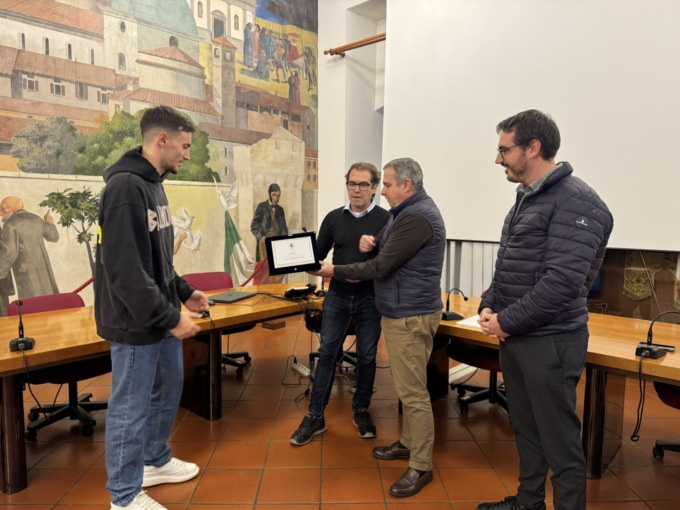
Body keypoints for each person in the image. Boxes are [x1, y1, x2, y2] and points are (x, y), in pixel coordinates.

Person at [476, 110, 613, 510]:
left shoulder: (578, 201)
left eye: (504, 150)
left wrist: (505, 321)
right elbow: (511, 266)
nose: (498, 159)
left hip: (550, 341)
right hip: (519, 335)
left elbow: (562, 285)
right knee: (527, 429)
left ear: (532, 148)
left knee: (560, 443)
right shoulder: (528, 196)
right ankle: (528, 502)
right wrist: (489, 303)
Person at [95, 106, 210, 510]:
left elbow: (157, 258)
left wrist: (183, 291)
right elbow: (125, 270)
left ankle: (154, 459)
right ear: (162, 140)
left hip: (160, 313)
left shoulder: (154, 185)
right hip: (135, 320)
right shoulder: (125, 189)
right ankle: (124, 496)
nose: (187, 155)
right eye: (184, 146)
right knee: (130, 406)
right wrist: (170, 316)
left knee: (168, 388)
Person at [311, 157, 445, 498]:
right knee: (408, 388)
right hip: (402, 311)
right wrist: (371, 243)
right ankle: (408, 443)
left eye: (385, 184)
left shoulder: (416, 217)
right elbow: (383, 249)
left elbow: (381, 267)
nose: (381, 191)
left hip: (410, 315)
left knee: (413, 394)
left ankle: (421, 465)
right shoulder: (404, 212)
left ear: (406, 185)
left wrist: (335, 271)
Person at [290, 162, 390, 446]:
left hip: (371, 299)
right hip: (338, 297)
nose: (356, 189)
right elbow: (318, 254)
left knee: (367, 357)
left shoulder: (387, 219)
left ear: (374, 188)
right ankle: (315, 415)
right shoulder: (334, 218)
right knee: (327, 354)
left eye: (363, 184)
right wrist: (301, 258)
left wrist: (376, 249)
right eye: (351, 183)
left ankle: (361, 410)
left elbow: (389, 261)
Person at [0, 196, 59, 299]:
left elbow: (9, 253)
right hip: (43, 268)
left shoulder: (10, 225)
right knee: (48, 299)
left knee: (32, 302)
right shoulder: (36, 219)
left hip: (25, 272)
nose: (0, 212)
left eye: (2, 209)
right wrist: (50, 224)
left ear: (12, 209)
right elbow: (53, 237)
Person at [250, 182, 288, 262]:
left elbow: (284, 229)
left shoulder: (280, 210)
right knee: (264, 266)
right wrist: (260, 237)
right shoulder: (261, 206)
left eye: (278, 196)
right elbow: (254, 226)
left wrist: (283, 242)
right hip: (264, 244)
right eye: (274, 195)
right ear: (269, 194)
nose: (276, 198)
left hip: (276, 245)